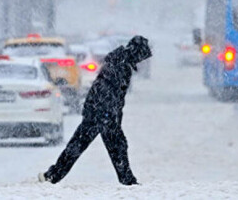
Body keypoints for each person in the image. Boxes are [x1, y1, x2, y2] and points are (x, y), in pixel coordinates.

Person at [38, 35, 152, 186]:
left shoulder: (120, 62)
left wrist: (112, 115)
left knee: (84, 145)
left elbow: (113, 95)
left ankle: (53, 175)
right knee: (110, 146)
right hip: (101, 113)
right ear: (137, 52)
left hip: (101, 112)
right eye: (142, 56)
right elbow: (107, 91)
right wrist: (107, 115)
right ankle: (127, 181)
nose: (142, 60)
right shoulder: (120, 65)